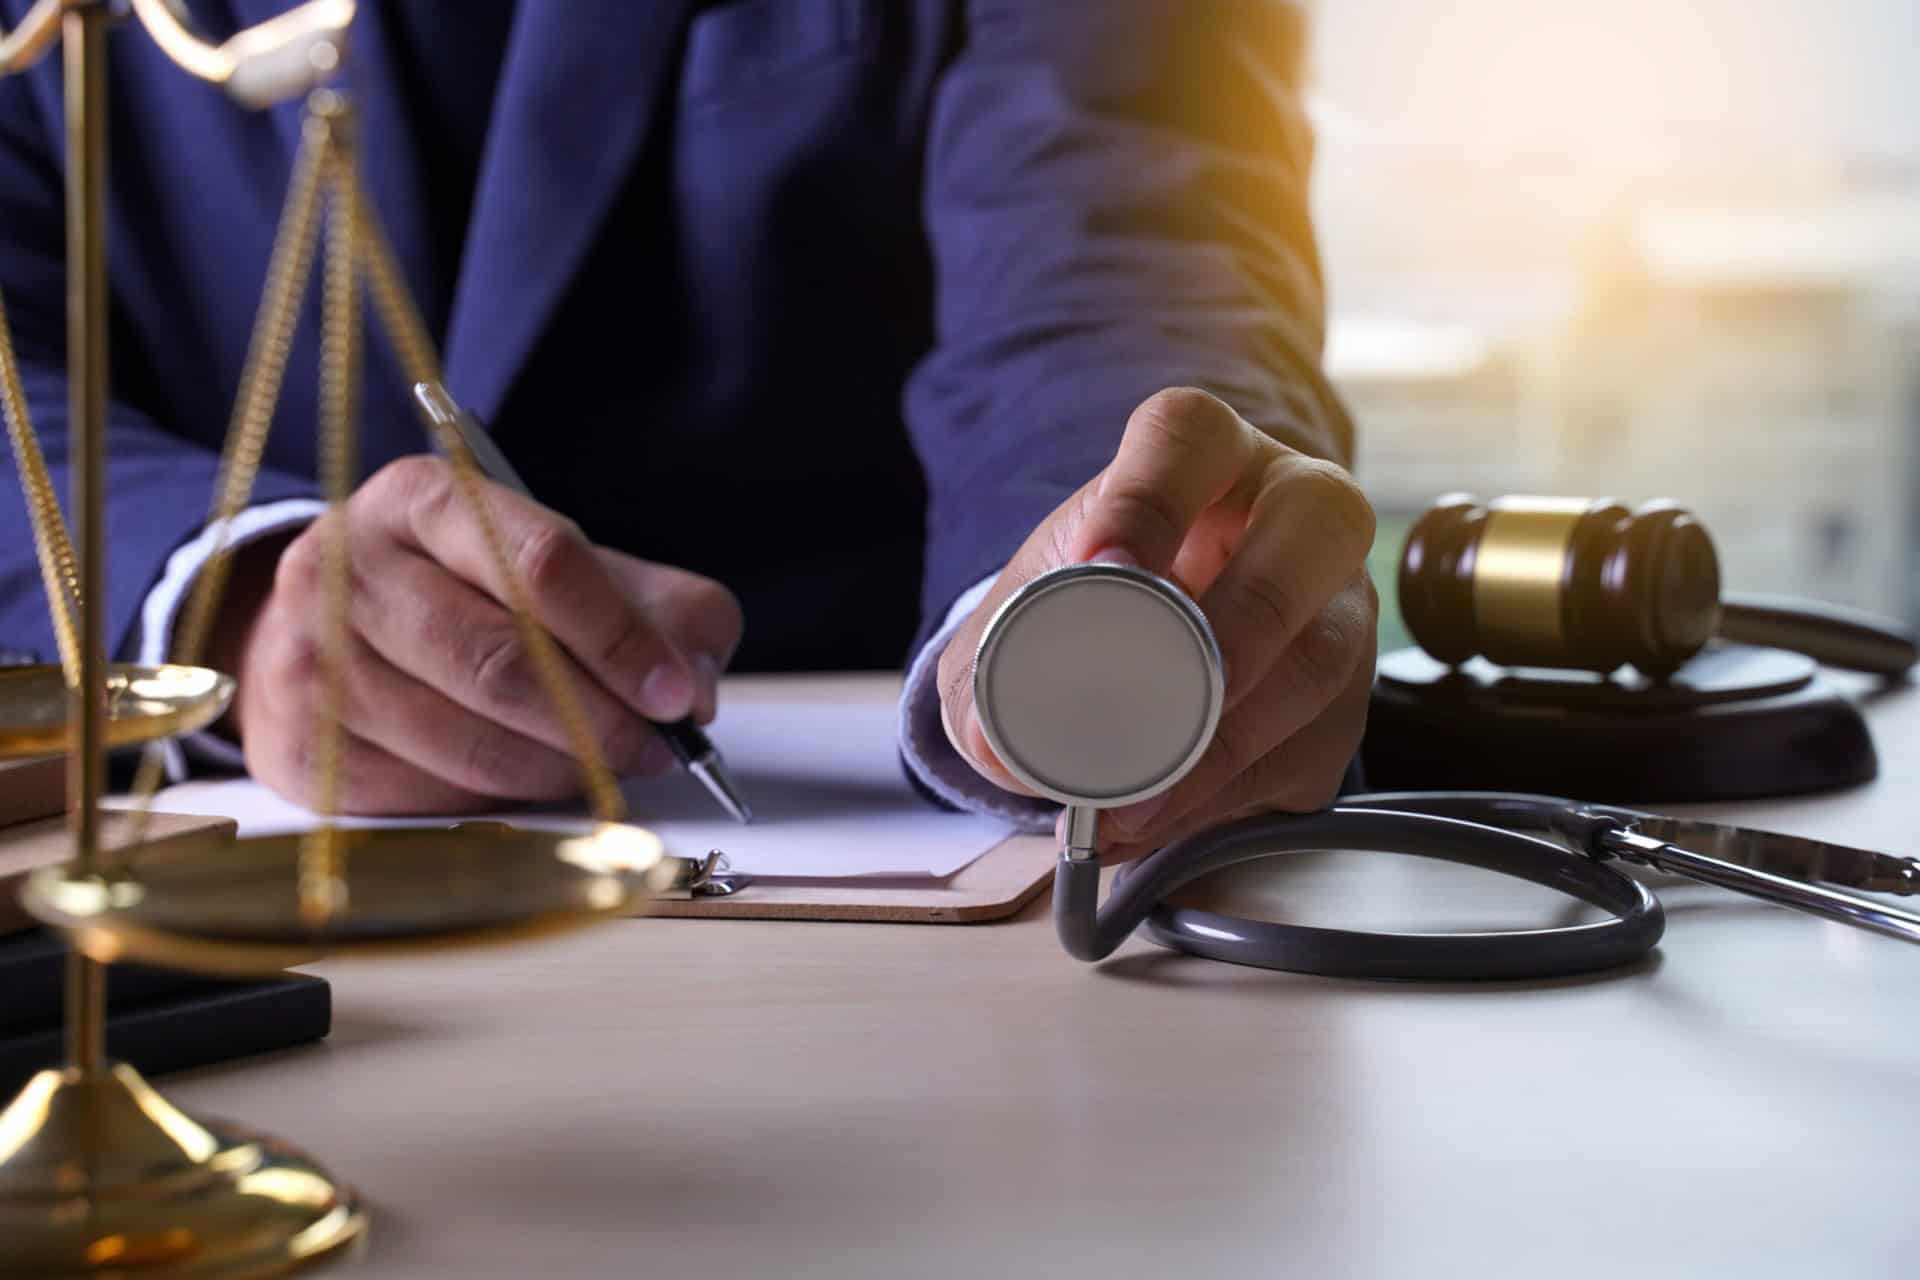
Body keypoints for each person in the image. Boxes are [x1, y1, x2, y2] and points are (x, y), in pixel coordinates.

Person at [0, 0, 1375, 861]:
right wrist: (229, 589)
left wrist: (1106, 583)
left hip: (921, 900)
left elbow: (1129, 230)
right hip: (248, 900)